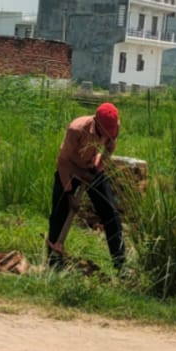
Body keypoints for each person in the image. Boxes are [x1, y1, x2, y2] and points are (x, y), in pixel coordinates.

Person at [47, 103, 126, 272]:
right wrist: (69, 195)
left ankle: (121, 266)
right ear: (97, 122)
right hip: (70, 168)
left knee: (111, 213)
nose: (109, 134)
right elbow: (62, 162)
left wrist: (98, 166)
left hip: (92, 168)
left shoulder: (114, 127)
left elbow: (109, 148)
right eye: (106, 131)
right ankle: (53, 262)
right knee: (59, 214)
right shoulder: (76, 129)